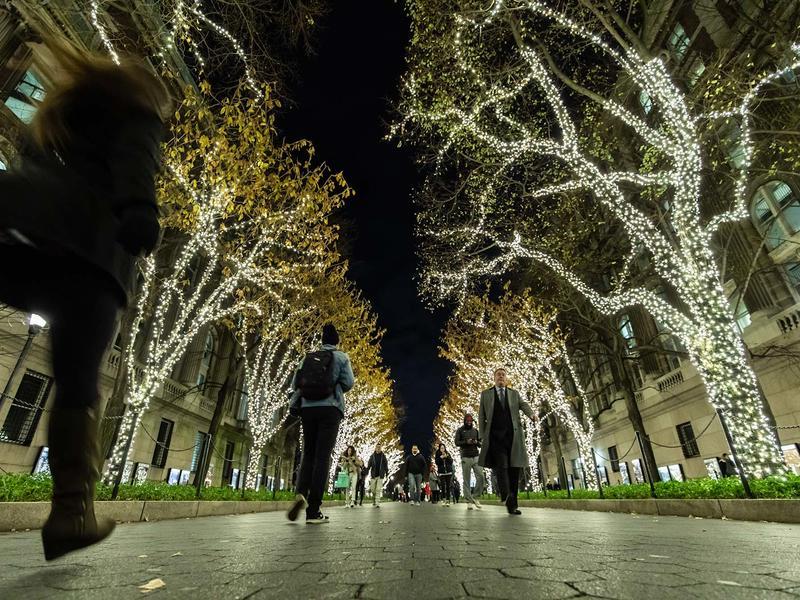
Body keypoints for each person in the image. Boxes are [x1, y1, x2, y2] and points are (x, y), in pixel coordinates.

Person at [0, 38, 170, 561]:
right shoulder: (138, 115)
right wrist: (142, 214)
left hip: (20, 232)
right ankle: (72, 515)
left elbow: (30, 162)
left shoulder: (61, 112)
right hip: (89, 258)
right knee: (77, 387)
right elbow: (136, 167)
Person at [287, 323, 355, 524]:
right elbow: (349, 383)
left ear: (322, 341)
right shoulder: (341, 357)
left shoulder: (307, 357)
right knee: (322, 457)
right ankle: (313, 510)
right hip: (330, 408)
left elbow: (295, 384)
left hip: (308, 408)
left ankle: (301, 493)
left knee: (308, 454)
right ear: (337, 341)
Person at [478, 368, 535, 515]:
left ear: (506, 378)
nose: (501, 377)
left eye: (503, 375)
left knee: (514, 470)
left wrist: (532, 415)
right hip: (495, 438)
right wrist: (483, 436)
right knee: (501, 466)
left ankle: (513, 505)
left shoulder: (514, 394)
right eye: (498, 375)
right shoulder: (485, 394)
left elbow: (524, 405)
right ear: (494, 378)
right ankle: (505, 494)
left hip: (513, 437)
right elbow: (481, 415)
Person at [455, 413, 483, 509]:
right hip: (465, 456)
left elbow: (480, 443)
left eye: (471, 421)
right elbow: (456, 442)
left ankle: (475, 497)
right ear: (464, 421)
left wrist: (476, 442)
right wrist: (466, 442)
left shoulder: (475, 431)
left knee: (481, 476)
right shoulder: (460, 430)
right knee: (466, 479)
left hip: (476, 456)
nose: (469, 423)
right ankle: (469, 501)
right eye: (467, 421)